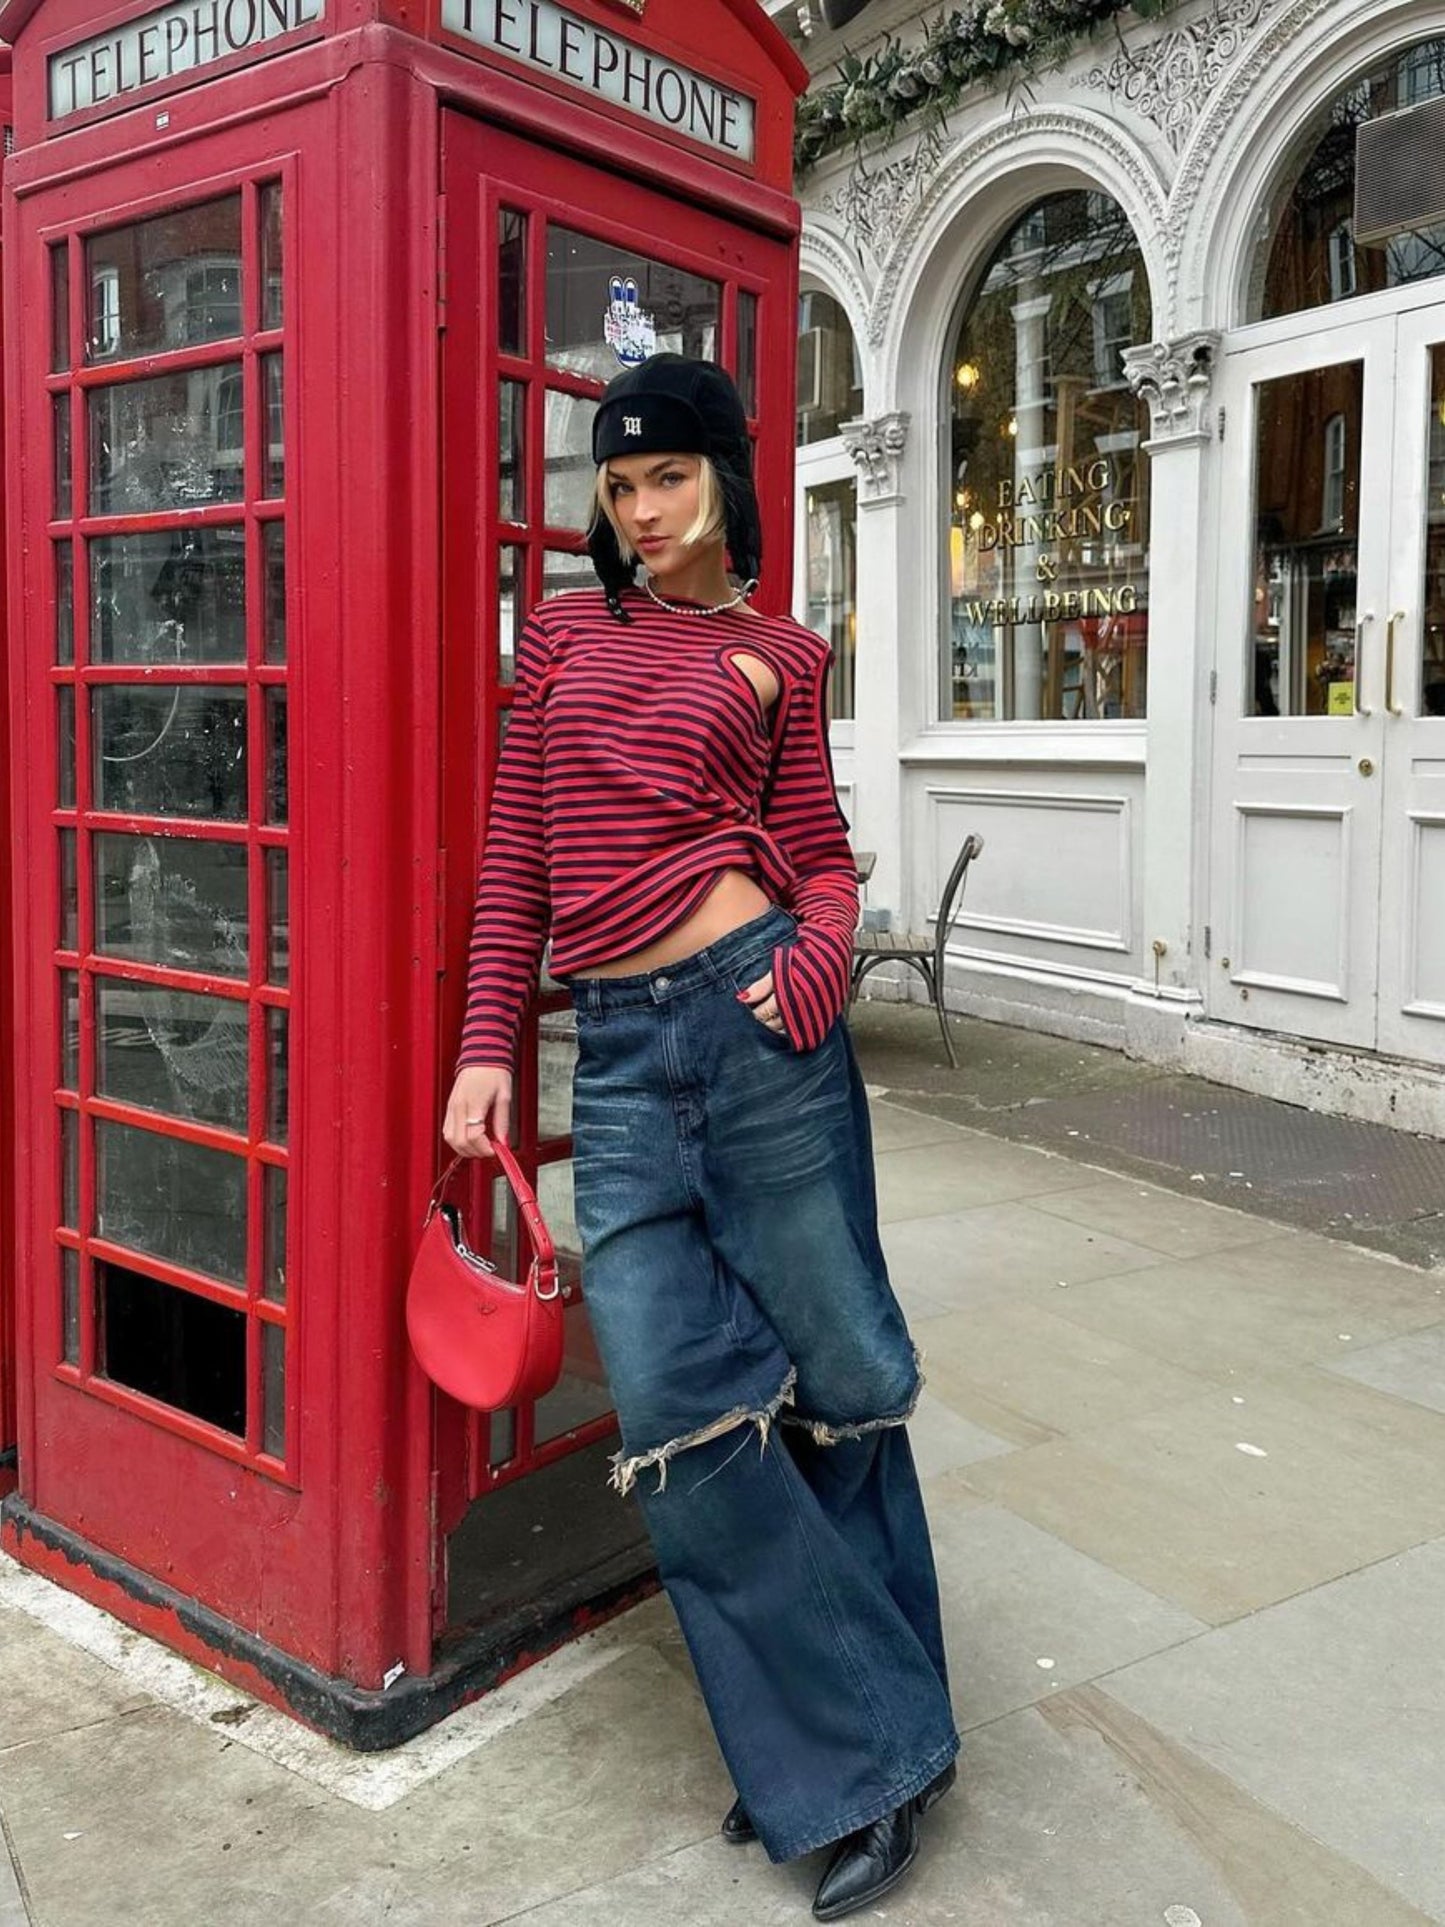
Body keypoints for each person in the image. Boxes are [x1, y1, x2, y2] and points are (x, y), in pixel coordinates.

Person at [443, 354, 959, 1921]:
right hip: (613, 1062)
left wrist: (804, 977)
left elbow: (814, 852)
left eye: (666, 478)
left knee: (846, 1379)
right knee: (675, 1422)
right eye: (616, 487)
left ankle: (850, 1754)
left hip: (756, 1034)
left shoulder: (782, 656)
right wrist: (485, 1051)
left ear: (728, 481)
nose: (641, 510)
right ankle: (875, 1733)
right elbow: (516, 853)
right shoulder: (566, 640)